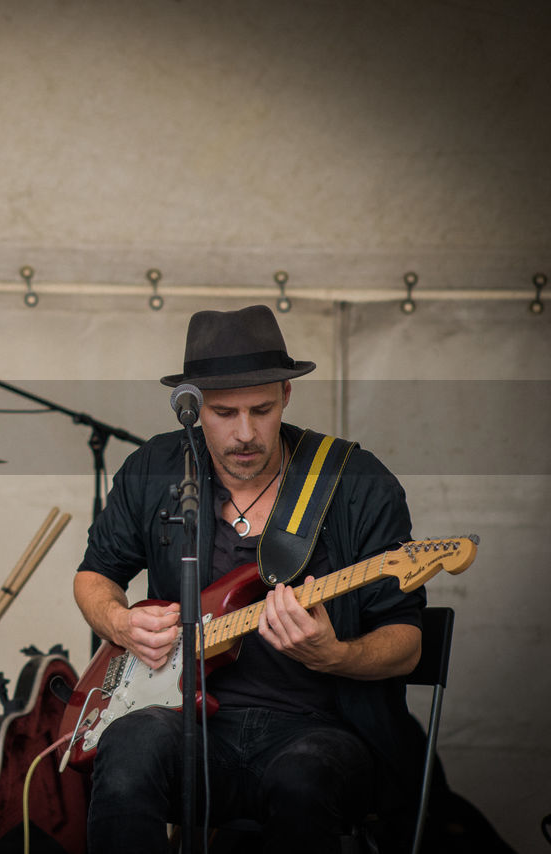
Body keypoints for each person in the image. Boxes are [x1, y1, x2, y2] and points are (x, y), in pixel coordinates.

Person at [73, 305, 425, 853]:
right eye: (223, 412)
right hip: (181, 719)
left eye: (261, 410)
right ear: (191, 405)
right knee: (128, 749)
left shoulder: (357, 483)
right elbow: (95, 575)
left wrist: (334, 654)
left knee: (304, 779)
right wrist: (120, 622)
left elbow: (407, 644)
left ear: (287, 393)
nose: (244, 433)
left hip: (317, 727)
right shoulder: (158, 468)